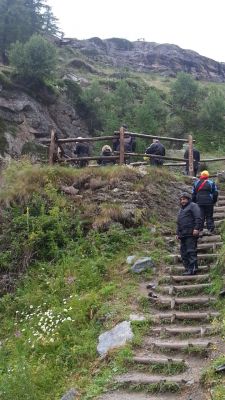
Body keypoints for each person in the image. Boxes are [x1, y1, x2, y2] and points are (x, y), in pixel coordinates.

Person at [176, 192, 202, 275]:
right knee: (183, 253)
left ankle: (192, 269)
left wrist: (196, 228)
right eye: (181, 199)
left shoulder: (193, 206)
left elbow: (198, 217)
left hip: (191, 233)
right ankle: (188, 269)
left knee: (191, 251)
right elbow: (179, 222)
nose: (182, 201)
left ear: (188, 199)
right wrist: (177, 233)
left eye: (184, 199)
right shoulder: (181, 209)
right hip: (183, 234)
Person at [192, 170, 218, 234]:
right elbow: (215, 193)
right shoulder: (211, 183)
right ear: (208, 176)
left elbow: (193, 194)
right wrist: (214, 201)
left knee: (200, 216)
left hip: (199, 202)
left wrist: (194, 202)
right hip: (209, 202)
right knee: (209, 216)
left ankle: (200, 230)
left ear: (201, 175)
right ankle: (210, 230)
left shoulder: (196, 183)